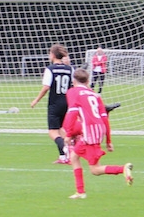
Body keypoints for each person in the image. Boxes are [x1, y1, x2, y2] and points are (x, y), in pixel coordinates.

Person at [63, 68, 133, 199]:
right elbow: (104, 118)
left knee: (95, 170)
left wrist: (68, 134)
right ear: (88, 81)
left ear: (73, 81)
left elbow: (72, 113)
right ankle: (80, 192)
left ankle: (123, 168)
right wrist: (108, 140)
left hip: (89, 132)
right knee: (74, 157)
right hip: (98, 129)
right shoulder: (94, 95)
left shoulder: (73, 92)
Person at [30, 44, 74, 163]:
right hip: (67, 102)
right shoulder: (70, 69)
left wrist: (36, 100)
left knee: (52, 132)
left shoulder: (50, 69)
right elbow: (73, 85)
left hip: (55, 103)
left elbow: (46, 87)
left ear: (53, 55)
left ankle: (67, 149)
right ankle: (63, 157)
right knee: (61, 130)